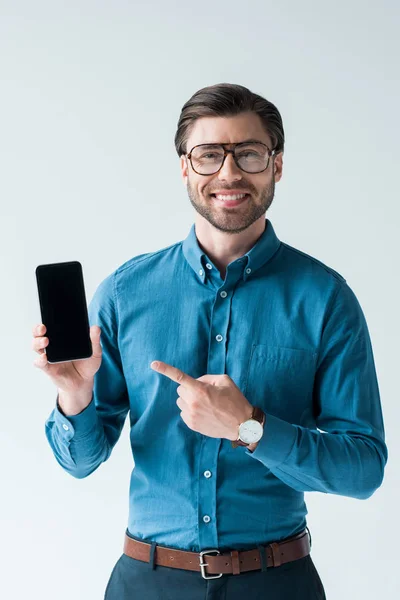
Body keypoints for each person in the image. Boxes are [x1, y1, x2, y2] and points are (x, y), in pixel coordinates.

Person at [33, 83, 388, 600]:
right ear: (184, 167)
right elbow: (79, 462)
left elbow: (363, 469)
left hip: (277, 585)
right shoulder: (125, 294)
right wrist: (74, 396)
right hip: (146, 584)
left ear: (277, 165)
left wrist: (251, 427)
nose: (229, 173)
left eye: (248, 153)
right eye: (208, 155)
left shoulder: (326, 299)